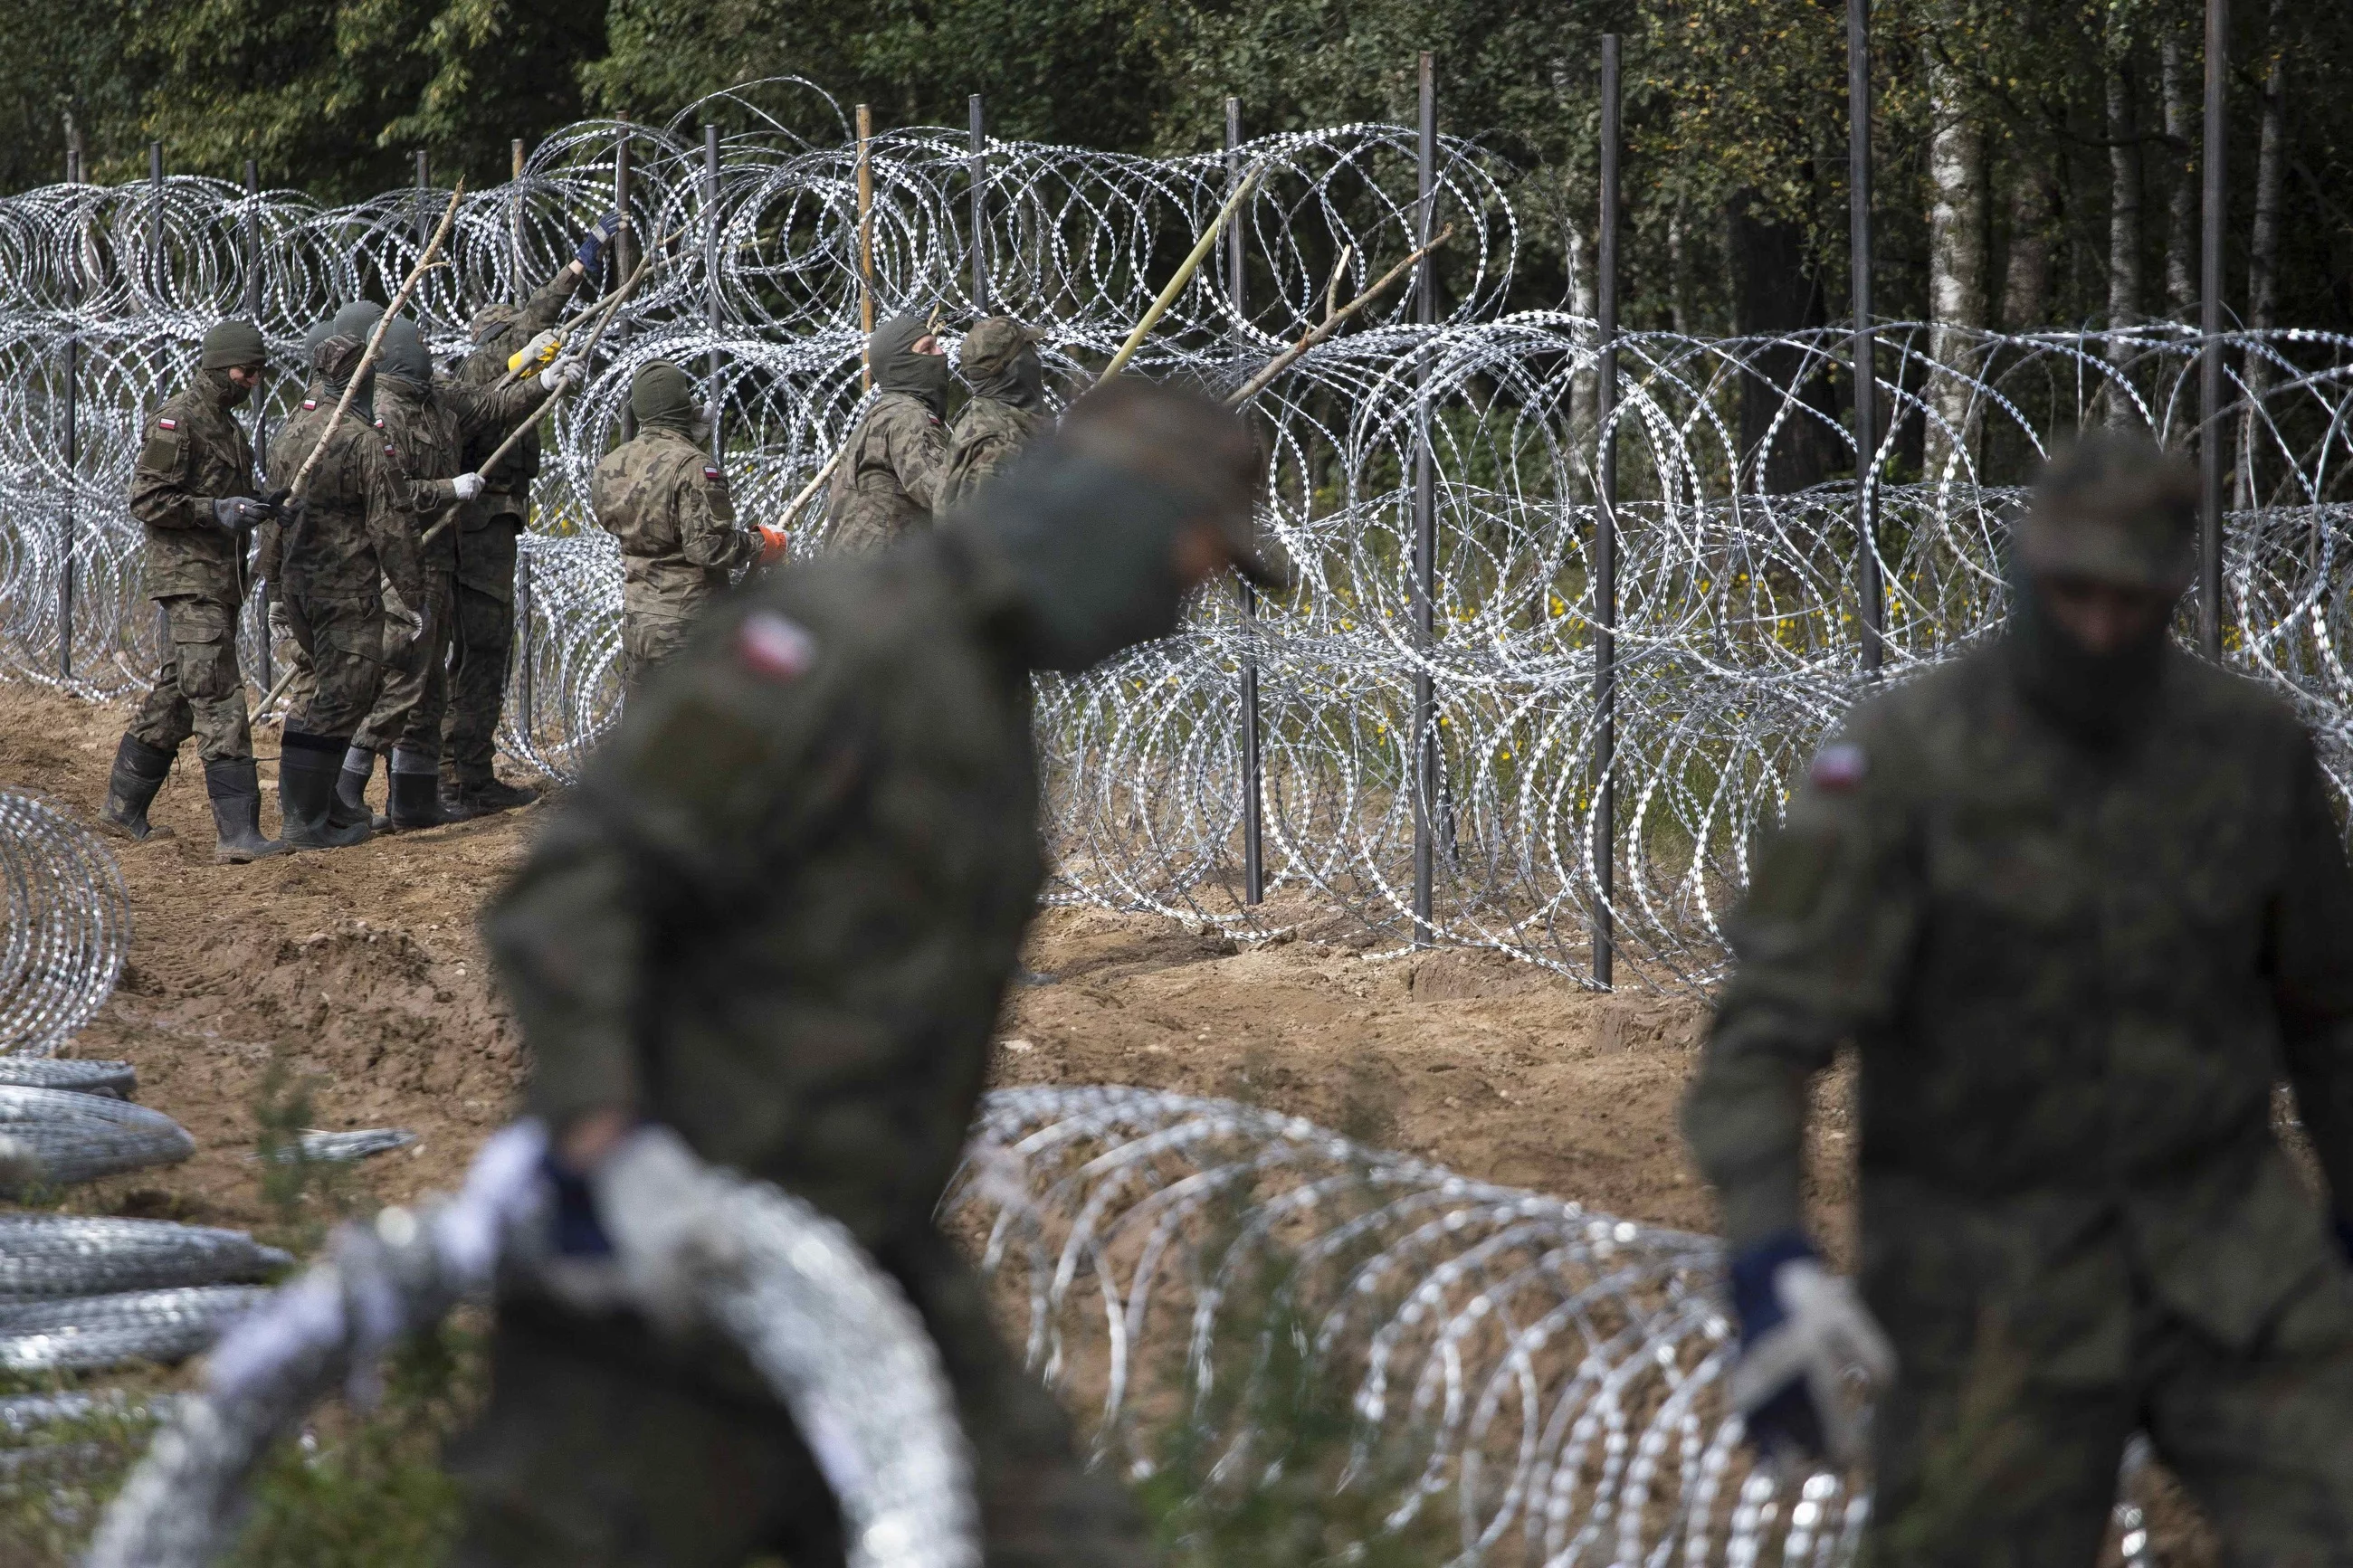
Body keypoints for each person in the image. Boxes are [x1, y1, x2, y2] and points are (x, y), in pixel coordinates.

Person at [451, 379, 1285, 1567]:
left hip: (859, 1254)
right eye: (1180, 571)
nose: (1171, 618)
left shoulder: (975, 693)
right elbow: (573, 896)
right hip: (673, 1264)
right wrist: (608, 1150)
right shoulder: (841, 644)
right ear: (1106, 521)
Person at [1682, 432, 2353, 1563]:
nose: (2098, 626)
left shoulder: (2247, 754)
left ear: (2176, 588)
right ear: (2023, 570)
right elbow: (1763, 1031)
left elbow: (2330, 1015)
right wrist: (1765, 1246)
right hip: (1983, 1289)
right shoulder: (1904, 761)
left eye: (2130, 599)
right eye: (2071, 592)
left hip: (2228, 1258)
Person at [341, 317, 569, 831]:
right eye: (417, 345)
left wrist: (541, 380)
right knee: (403, 681)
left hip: (441, 562)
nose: (427, 351)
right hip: (404, 565)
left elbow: (489, 403)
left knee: (430, 689)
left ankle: (415, 800)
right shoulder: (383, 418)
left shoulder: (437, 398)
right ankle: (343, 792)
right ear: (395, 355)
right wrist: (450, 489)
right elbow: (393, 497)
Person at [440, 212, 624, 821]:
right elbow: (520, 346)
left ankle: (459, 772)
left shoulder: (498, 369)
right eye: (510, 341)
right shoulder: (481, 374)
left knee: (481, 650)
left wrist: (579, 266)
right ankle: (462, 777)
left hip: (494, 524)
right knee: (482, 650)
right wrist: (531, 367)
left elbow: (536, 320)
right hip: (478, 529)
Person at [100, 318, 286, 864]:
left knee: (180, 695)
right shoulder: (178, 420)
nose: (253, 381)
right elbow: (147, 500)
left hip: (218, 579)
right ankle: (238, 835)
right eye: (246, 370)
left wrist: (263, 506)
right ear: (219, 365)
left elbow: (227, 497)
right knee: (220, 695)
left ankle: (121, 807)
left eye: (258, 372)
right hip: (189, 580)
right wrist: (216, 511)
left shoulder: (226, 425)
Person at [264, 329, 422, 850]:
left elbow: (273, 518)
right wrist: (413, 595)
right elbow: (390, 526)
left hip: (299, 587)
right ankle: (305, 821)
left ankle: (322, 808)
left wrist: (272, 588)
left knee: (323, 691)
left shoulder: (291, 431)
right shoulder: (361, 439)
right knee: (342, 696)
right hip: (345, 591)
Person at [589, 359, 785, 689]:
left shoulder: (610, 465)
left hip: (638, 621)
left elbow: (631, 517)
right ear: (682, 402)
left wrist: (689, 440)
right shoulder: (693, 466)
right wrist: (762, 543)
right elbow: (708, 548)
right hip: (687, 625)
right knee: (699, 731)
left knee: (647, 732)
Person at [825, 313, 949, 553]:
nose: (941, 353)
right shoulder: (908, 417)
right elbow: (947, 494)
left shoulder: (881, 415)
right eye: (927, 349)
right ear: (901, 363)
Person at [943, 316, 1052, 508]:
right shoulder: (999, 446)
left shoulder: (988, 421)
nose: (1037, 356)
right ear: (1016, 366)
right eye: (1031, 349)